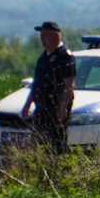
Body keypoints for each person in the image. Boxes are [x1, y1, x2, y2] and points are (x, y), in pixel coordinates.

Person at [21, 21, 76, 153]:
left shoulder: (65, 56)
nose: (42, 39)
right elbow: (37, 83)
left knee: (56, 142)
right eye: (41, 36)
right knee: (40, 141)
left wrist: (63, 107)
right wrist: (28, 104)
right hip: (41, 108)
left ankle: (58, 169)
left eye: (45, 35)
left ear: (56, 35)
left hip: (55, 108)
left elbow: (69, 84)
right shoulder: (43, 57)